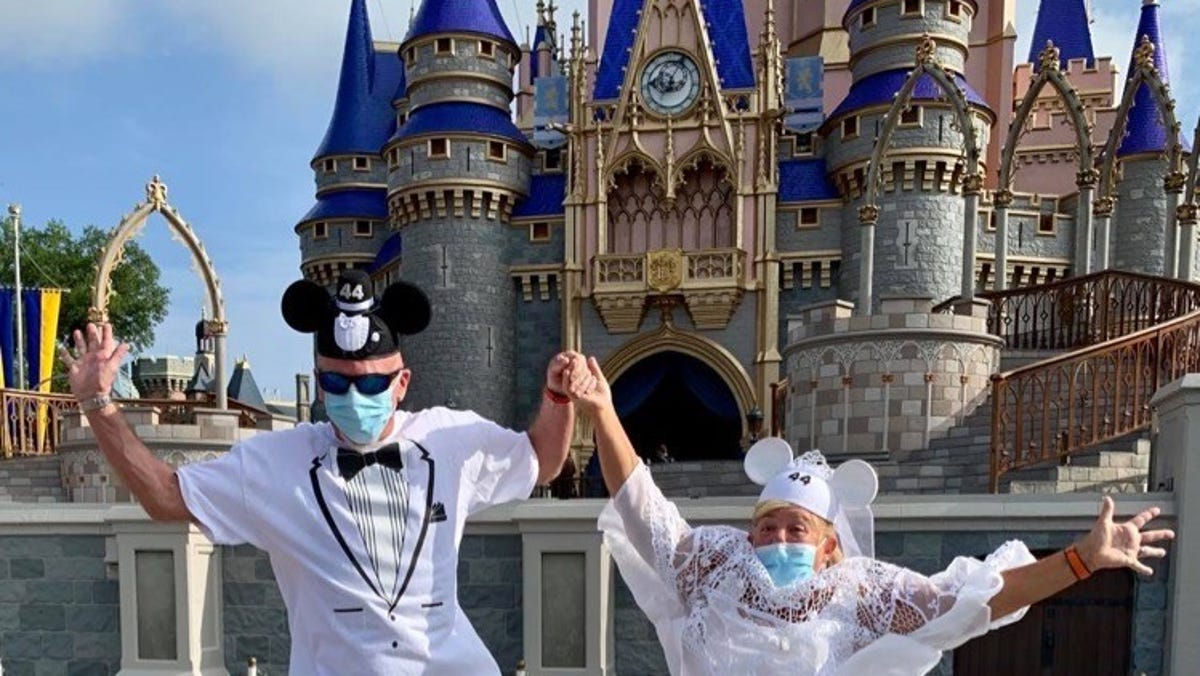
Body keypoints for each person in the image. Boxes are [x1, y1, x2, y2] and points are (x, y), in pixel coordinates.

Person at [60, 270, 586, 675]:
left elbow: (541, 460)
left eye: (372, 385)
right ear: (317, 381)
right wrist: (99, 403)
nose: (355, 397)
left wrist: (558, 397)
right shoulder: (275, 464)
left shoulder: (449, 438)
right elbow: (165, 497)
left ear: (403, 383)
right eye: (337, 385)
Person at [561, 356, 1175, 675]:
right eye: (767, 527)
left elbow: (975, 604)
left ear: (828, 545)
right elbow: (643, 508)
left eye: (795, 529)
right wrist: (603, 412)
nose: (777, 539)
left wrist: (1080, 560)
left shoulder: (867, 594)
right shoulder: (717, 567)